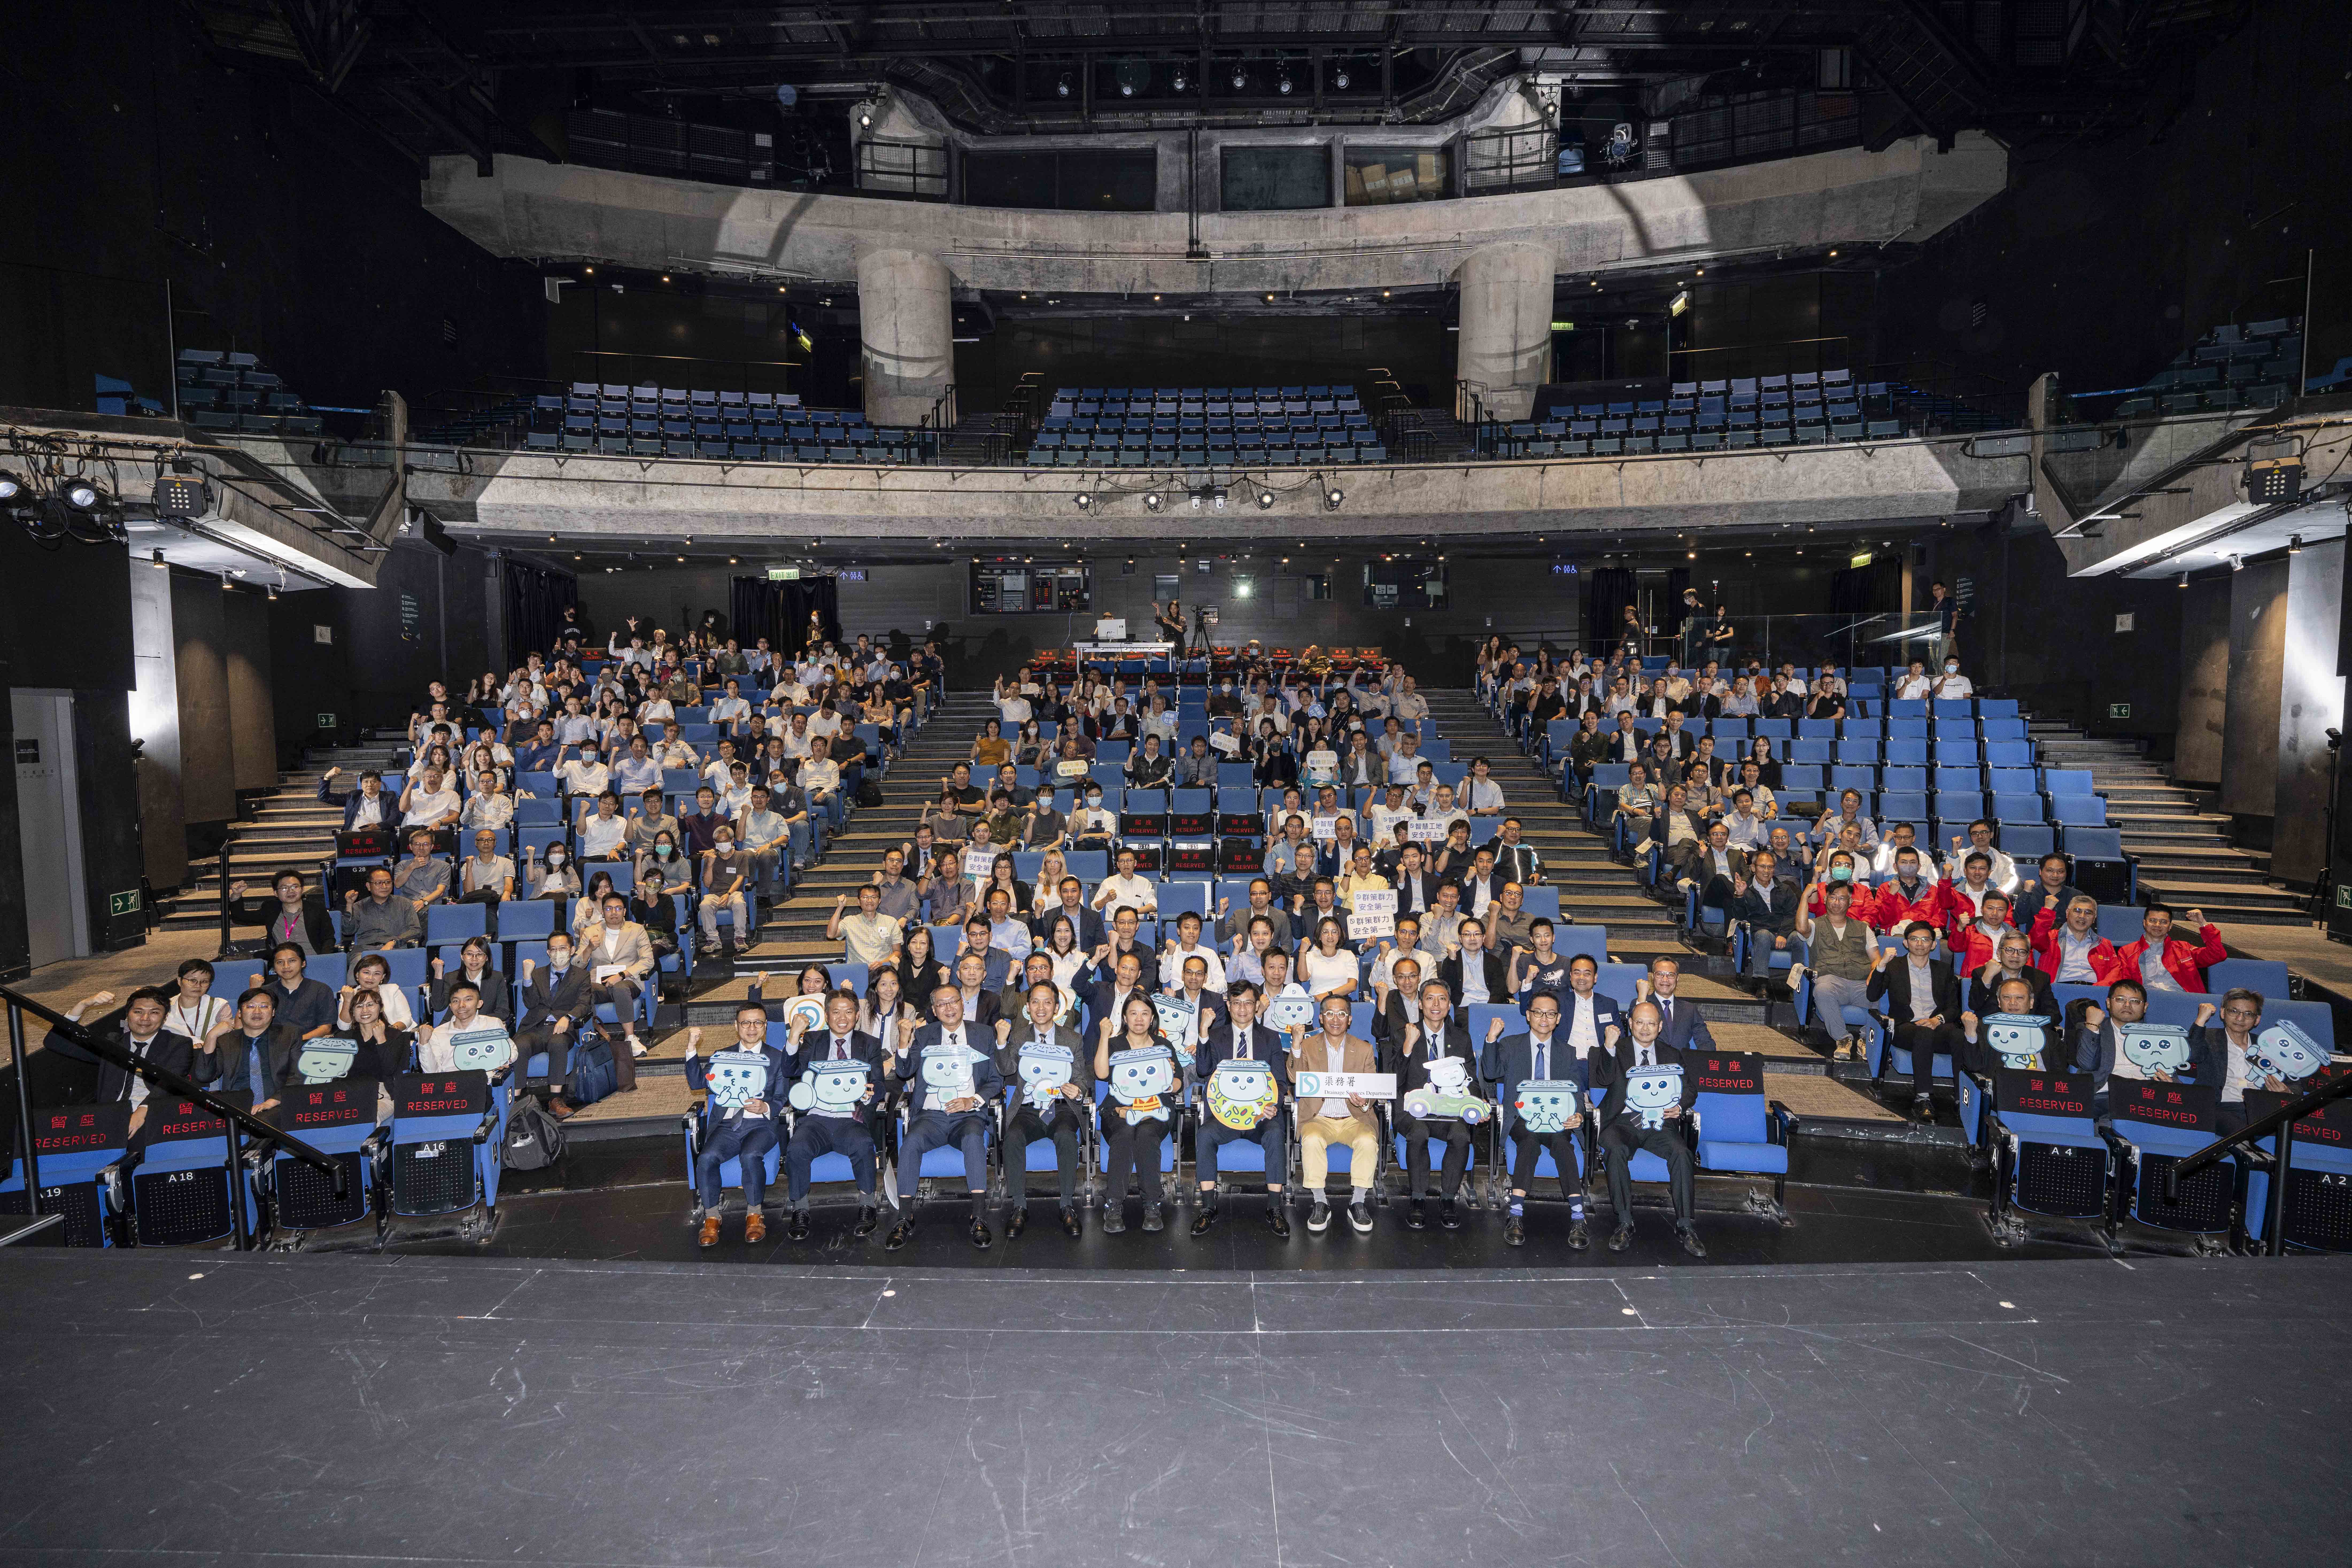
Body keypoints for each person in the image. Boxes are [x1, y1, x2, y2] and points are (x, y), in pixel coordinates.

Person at [885, 985, 1003, 1251]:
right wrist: (904, 1039)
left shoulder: (983, 1034)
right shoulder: (925, 1034)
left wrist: (972, 1100)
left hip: (967, 1113)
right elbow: (905, 1071)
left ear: (962, 1003)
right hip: (931, 1114)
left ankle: (979, 1216)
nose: (949, 1008)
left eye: (953, 1002)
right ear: (935, 1010)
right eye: (942, 1004)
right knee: (911, 1142)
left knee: (974, 1139)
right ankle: (905, 1217)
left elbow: (996, 1080)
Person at [1483, 988, 1595, 1249]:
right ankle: (1516, 1214)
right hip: (1523, 1117)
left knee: (1563, 1145)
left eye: (1550, 1013)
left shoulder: (1567, 1052)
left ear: (1558, 1019)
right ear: (1528, 1015)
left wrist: (1578, 1112)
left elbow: (1576, 1091)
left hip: (1557, 1118)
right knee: (1530, 1142)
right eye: (1538, 1012)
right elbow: (1490, 1072)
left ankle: (1578, 1217)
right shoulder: (1511, 1044)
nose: (1543, 1018)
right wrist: (1491, 1039)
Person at [1590, 998, 1704, 1255]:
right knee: (1616, 1150)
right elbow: (1603, 1078)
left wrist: (1680, 1106)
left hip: (1660, 1123)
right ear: (1630, 1024)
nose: (1644, 1028)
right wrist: (1608, 1047)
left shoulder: (1671, 1054)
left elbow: (1690, 1090)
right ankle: (1624, 1221)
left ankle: (1685, 1225)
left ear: (1660, 1026)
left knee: (1682, 1153)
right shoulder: (1616, 1049)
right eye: (1639, 1022)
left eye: (1651, 1023)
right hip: (1622, 1121)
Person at [780, 988, 887, 1238]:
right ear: (827, 1015)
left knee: (863, 1145)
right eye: (836, 1012)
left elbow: (880, 1083)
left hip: (851, 1116)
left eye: (849, 1012)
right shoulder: (813, 1040)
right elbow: (789, 1070)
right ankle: (800, 1208)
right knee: (797, 1149)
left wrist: (873, 1092)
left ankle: (868, 1204)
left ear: (857, 1015)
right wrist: (795, 1035)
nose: (842, 1017)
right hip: (817, 1118)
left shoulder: (869, 1043)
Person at [993, 979, 1093, 1237]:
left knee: (1065, 1136)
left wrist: (1078, 1090)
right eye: (1035, 1002)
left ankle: (1067, 1204)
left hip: (1061, 1107)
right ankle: (1019, 1206)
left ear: (1057, 1007)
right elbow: (1007, 1070)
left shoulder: (1072, 1038)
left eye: (1047, 1002)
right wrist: (1002, 1043)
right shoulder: (1018, 1036)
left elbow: (1082, 1077)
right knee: (1013, 1136)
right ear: (1027, 1007)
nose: (1041, 1007)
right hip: (1029, 1108)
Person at [682, 1010, 788, 1246]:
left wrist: (766, 1106)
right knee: (707, 1157)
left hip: (761, 1124)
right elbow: (698, 1083)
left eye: (758, 1022)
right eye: (746, 1023)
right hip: (728, 1125)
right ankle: (712, 1217)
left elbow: (782, 1098)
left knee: (751, 1155)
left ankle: (754, 1214)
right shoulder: (723, 1056)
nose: (752, 1028)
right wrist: (691, 1047)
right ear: (736, 1026)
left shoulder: (777, 1058)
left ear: (766, 1026)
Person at [1388, 980, 1480, 1229]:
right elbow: (1392, 1081)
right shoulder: (1404, 1033)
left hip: (1449, 1110)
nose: (1436, 1004)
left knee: (1462, 1135)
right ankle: (1418, 1199)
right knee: (1418, 1132)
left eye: (1442, 999)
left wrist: (1476, 1104)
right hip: (1413, 1110)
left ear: (1450, 1005)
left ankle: (1448, 1199)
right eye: (1430, 999)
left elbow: (1472, 1080)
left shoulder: (1461, 1038)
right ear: (1420, 1004)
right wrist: (1408, 1047)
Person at [1287, 992, 1380, 1236]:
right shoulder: (1308, 1046)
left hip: (1354, 1118)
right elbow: (1296, 1079)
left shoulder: (1364, 1049)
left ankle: (1358, 1202)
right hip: (1319, 1117)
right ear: (1321, 1018)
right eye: (1330, 1014)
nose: (1336, 1019)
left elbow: (1373, 1089)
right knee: (1312, 1140)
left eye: (1342, 1014)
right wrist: (1296, 1047)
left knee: (1367, 1141)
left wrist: (1365, 1102)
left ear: (1350, 1019)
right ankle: (1321, 1202)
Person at [1093, 992, 1185, 1234]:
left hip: (1157, 1109)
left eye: (1145, 1014)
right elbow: (1102, 1074)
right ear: (1125, 1017)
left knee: (1146, 1135)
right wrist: (1104, 1035)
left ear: (1153, 1017)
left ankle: (1152, 1203)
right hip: (1118, 1109)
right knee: (1123, 1134)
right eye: (1133, 1013)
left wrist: (1168, 1082)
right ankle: (1114, 1204)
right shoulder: (1115, 1044)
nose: (1139, 1019)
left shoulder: (1164, 1045)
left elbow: (1179, 1082)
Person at [46, 988, 194, 1134]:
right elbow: (55, 1042)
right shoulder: (113, 1044)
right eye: (138, 1012)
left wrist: (142, 1111)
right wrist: (82, 1005)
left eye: (154, 1013)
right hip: (109, 1116)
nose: (145, 1018)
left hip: (153, 1116)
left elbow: (170, 1083)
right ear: (128, 1014)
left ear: (165, 1018)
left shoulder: (178, 1044)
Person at [1867, 920, 1962, 1121]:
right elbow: (1872, 994)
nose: (1920, 944)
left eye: (1925, 939)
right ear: (1906, 943)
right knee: (1924, 1033)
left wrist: (1938, 1019)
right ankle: (1923, 1097)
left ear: (1934, 945)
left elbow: (1954, 1007)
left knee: (1958, 1034)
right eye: (1914, 939)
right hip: (1905, 1028)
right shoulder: (1894, 966)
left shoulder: (1944, 970)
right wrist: (1882, 965)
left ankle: (1961, 1097)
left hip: (1936, 1026)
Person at [1794, 879, 1876, 1061]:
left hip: (1861, 981)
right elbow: (1801, 927)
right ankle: (1843, 1039)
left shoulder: (1863, 928)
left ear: (1851, 903)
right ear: (1825, 900)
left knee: (1882, 990)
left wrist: (1874, 974)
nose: (1837, 902)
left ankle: (1864, 1038)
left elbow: (1876, 959)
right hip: (1831, 980)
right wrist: (1805, 896)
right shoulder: (1815, 925)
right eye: (1833, 898)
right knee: (1822, 990)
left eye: (1842, 898)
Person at [581, 891, 650, 1082]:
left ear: (625, 911)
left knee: (620, 988)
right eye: (609, 909)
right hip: (600, 983)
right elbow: (577, 965)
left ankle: (631, 1038)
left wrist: (621, 975)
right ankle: (594, 1039)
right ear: (603, 912)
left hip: (629, 980)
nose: (614, 913)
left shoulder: (636, 930)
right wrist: (589, 949)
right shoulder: (591, 932)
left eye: (618, 908)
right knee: (587, 990)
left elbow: (648, 961)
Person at [2100, 903, 2227, 993]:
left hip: (2183, 1000)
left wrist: (2203, 923)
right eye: (2153, 920)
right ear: (2145, 923)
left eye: (2163, 922)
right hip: (2147, 1002)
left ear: (2170, 926)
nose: (2157, 925)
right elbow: (2125, 984)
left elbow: (2218, 955)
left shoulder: (2184, 949)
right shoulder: (2128, 952)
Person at [225, 868, 336, 955]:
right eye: (284, 888)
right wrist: (237, 895)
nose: (290, 891)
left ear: (303, 889)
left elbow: (329, 938)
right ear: (275, 893)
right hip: (283, 966)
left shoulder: (317, 910)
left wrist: (323, 960)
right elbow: (239, 917)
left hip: (313, 960)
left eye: (295, 887)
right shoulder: (271, 909)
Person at [2030, 892, 2116, 985]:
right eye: (2077, 911)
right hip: (2059, 990)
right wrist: (2047, 910)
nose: (2082, 916)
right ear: (2067, 913)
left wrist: (2100, 989)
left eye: (2088, 913)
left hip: (2093, 991)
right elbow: (2036, 939)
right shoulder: (2052, 938)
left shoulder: (2104, 944)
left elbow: (2116, 972)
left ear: (2094, 918)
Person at [697, 820, 752, 957]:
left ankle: (740, 938)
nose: (722, 844)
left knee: (739, 903)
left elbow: (740, 879)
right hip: (715, 894)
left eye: (725, 841)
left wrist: (728, 894)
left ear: (732, 841)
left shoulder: (741, 856)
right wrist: (710, 865)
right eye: (719, 842)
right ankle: (713, 940)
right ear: (715, 843)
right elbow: (708, 884)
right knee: (705, 905)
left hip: (733, 893)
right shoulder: (710, 858)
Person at [343, 866, 421, 951]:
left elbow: (416, 930)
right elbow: (348, 931)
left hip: (395, 949)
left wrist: (394, 942)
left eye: (388, 882)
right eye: (379, 883)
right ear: (369, 886)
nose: (384, 886)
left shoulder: (405, 904)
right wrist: (350, 905)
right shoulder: (358, 906)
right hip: (365, 950)